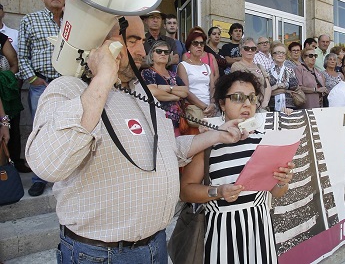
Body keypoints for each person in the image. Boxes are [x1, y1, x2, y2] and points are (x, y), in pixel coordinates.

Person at [25, 16, 249, 263]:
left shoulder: (140, 91)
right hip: (100, 254)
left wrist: (218, 134)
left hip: (155, 246)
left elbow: (169, 149)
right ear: (101, 44)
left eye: (143, 40)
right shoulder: (68, 89)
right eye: (132, 40)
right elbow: (48, 164)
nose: (143, 51)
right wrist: (102, 78)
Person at [180, 71, 294, 263]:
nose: (247, 104)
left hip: (259, 231)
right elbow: (185, 191)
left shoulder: (264, 140)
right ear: (222, 103)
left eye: (251, 98)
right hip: (221, 233)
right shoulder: (208, 143)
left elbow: (276, 192)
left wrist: (283, 181)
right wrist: (218, 191)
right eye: (238, 98)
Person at [18, 0, 65, 196]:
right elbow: (22, 55)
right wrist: (33, 79)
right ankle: (39, 178)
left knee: (68, 128)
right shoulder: (30, 20)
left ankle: (64, 174)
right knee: (40, 131)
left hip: (67, 84)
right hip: (41, 85)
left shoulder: (71, 22)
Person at [141, 40, 188, 137]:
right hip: (158, 122)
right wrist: (175, 97)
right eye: (159, 51)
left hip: (177, 123)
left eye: (166, 52)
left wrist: (167, 88)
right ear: (152, 55)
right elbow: (154, 92)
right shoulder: (147, 73)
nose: (163, 54)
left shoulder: (173, 74)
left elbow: (185, 91)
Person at [177, 30, 216, 135]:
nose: (199, 46)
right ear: (189, 46)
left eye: (202, 43)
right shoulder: (183, 65)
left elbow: (212, 87)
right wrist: (204, 107)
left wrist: (212, 104)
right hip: (194, 110)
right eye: (195, 43)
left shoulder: (206, 67)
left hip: (209, 110)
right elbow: (186, 91)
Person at [0, 33, 29, 173]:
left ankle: (12, 166)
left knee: (10, 133)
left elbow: (14, 64)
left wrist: (4, 79)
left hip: (5, 96)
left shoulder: (1, 38)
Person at [231, 37, 272, 111]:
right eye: (246, 48)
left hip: (262, 106)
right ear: (240, 51)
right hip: (246, 105)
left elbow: (267, 85)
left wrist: (265, 103)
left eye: (253, 48)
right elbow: (243, 85)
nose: (250, 50)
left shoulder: (260, 66)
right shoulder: (237, 65)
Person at [268, 43, 299, 111]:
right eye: (277, 53)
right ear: (272, 55)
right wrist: (284, 89)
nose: (280, 55)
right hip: (272, 106)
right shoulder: (267, 72)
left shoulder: (290, 70)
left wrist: (281, 85)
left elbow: (294, 85)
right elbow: (265, 89)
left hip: (289, 107)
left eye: (283, 53)